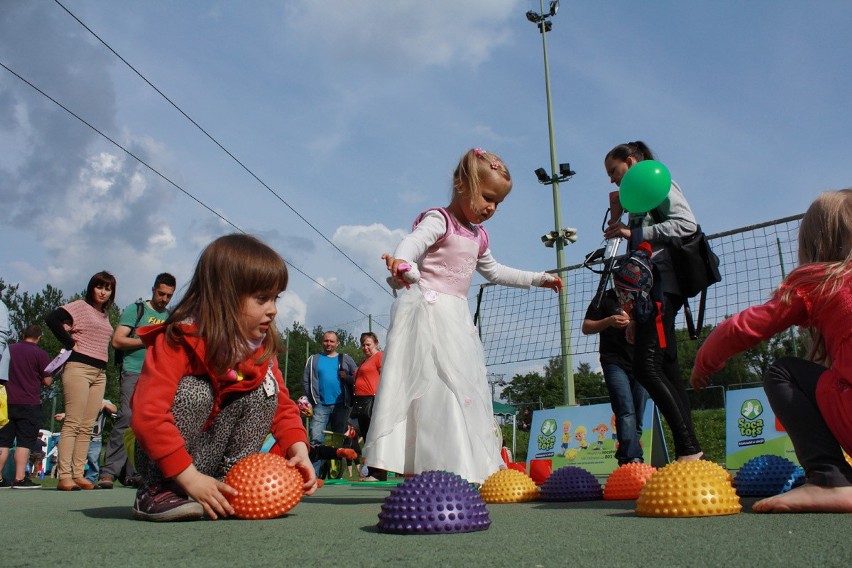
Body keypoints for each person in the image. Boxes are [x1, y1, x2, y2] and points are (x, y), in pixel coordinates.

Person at [363, 147, 562, 484]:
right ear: (460, 184)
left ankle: (458, 461)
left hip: (457, 317)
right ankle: (414, 460)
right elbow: (412, 243)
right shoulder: (440, 220)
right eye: (487, 197)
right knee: (429, 383)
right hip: (428, 310)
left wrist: (537, 278)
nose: (491, 208)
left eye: (498, 203)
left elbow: (495, 272)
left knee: (460, 388)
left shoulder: (478, 236)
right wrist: (402, 262)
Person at [130, 233, 315, 522]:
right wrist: (189, 478)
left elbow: (283, 407)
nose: (273, 310)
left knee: (264, 389)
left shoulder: (260, 349)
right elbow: (148, 414)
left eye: (275, 298)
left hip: (209, 459)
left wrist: (299, 449)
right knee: (196, 390)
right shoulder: (179, 339)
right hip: (167, 461)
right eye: (262, 299)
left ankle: (229, 483)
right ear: (225, 296)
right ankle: (158, 489)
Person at [692, 189, 852, 513]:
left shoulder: (818, 280)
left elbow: (743, 327)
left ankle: (829, 480)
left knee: (784, 371)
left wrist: (704, 361)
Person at [602, 141, 702, 461]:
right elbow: (624, 258)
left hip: (664, 285)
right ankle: (691, 451)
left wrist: (637, 235)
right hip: (646, 292)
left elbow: (688, 224)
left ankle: (689, 450)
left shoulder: (660, 184)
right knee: (668, 370)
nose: (612, 180)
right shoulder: (634, 204)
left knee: (646, 367)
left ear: (631, 162)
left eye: (614, 171)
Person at [97, 273, 176, 490]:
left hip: (157, 375)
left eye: (169, 295)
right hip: (133, 371)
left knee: (147, 424)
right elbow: (117, 340)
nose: (164, 299)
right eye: (161, 294)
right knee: (127, 417)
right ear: (153, 290)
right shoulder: (137, 309)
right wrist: (145, 340)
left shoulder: (170, 317)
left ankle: (135, 473)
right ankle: (108, 472)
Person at [45, 271, 116, 490]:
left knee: (87, 426)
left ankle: (78, 473)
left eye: (108, 288)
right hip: (78, 368)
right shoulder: (80, 306)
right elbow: (52, 318)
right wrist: (69, 343)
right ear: (91, 287)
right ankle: (64, 475)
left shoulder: (105, 315)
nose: (103, 292)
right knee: (73, 422)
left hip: (99, 372)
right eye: (99, 287)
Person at [582, 288, 649, 465]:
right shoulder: (605, 298)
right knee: (625, 409)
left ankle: (626, 454)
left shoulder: (644, 296)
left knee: (638, 412)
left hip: (642, 360)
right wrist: (609, 321)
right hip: (613, 361)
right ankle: (633, 458)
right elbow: (587, 327)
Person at [0, 324, 52, 489]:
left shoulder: (8, 350)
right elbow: (47, 381)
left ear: (23, 334)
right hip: (29, 402)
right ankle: (20, 478)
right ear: (39, 337)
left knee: (3, 442)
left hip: (6, 401)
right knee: (24, 442)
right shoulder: (40, 354)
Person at [302, 330, 357, 477]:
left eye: (332, 341)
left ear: (337, 343)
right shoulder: (313, 359)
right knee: (315, 439)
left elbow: (358, 376)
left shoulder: (345, 359)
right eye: (326, 341)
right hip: (320, 406)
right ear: (322, 342)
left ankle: (336, 473)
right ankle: (313, 474)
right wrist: (312, 400)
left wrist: (347, 378)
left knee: (339, 440)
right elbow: (307, 381)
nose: (329, 344)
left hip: (341, 406)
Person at [352, 331, 385, 481]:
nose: (365, 347)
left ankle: (379, 472)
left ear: (376, 343)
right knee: (367, 437)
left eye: (368, 344)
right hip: (361, 402)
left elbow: (385, 377)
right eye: (363, 344)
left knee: (374, 436)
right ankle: (371, 471)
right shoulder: (364, 361)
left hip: (372, 401)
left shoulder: (379, 357)